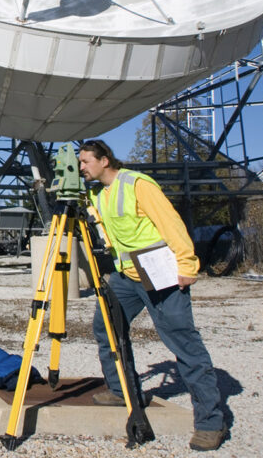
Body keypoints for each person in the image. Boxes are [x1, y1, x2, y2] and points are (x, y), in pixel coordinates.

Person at [78, 139, 227, 452]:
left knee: (182, 342)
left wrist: (187, 263)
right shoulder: (99, 194)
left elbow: (169, 222)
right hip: (126, 276)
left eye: (85, 162)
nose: (81, 168)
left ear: (105, 161)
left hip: (159, 272)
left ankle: (211, 422)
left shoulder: (136, 185)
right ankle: (122, 390)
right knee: (106, 327)